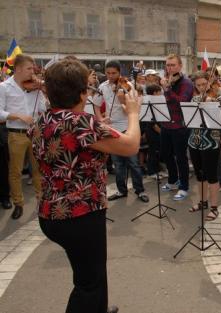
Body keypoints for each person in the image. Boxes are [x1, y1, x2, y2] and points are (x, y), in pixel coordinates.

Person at [28, 58, 141, 313]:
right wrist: (133, 113)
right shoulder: (80, 122)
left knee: (93, 275)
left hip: (51, 213)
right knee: (88, 284)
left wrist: (102, 128)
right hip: (79, 214)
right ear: (81, 93)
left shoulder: (43, 120)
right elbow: (131, 145)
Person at [93, 60, 149, 203]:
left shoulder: (128, 85)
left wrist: (122, 100)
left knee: (133, 162)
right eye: (108, 73)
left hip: (127, 126)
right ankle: (121, 190)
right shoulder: (102, 86)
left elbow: (133, 107)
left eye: (114, 73)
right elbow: (96, 106)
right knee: (118, 164)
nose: (111, 76)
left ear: (120, 73)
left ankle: (140, 190)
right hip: (111, 128)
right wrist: (100, 119)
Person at [0, 54, 47, 219]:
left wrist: (43, 90)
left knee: (37, 169)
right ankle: (18, 204)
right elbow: (0, 113)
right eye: (29, 69)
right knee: (15, 171)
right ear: (18, 69)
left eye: (33, 69)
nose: (32, 72)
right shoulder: (5, 87)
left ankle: (41, 201)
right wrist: (18, 116)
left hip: (35, 133)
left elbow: (44, 108)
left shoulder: (34, 87)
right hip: (16, 134)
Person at [187, 71, 221, 221]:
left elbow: (219, 122)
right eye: (198, 85)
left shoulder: (215, 99)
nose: (201, 87)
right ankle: (203, 202)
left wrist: (210, 103)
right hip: (194, 140)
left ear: (209, 83)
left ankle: (214, 207)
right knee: (200, 174)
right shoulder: (193, 99)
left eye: (204, 84)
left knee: (212, 176)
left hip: (210, 142)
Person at [159, 54, 193, 200]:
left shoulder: (186, 82)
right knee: (166, 154)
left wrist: (167, 90)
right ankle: (173, 180)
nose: (170, 68)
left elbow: (182, 101)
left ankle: (184, 187)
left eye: (173, 65)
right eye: (168, 65)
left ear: (180, 66)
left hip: (180, 126)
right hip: (166, 123)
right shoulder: (168, 81)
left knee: (181, 158)